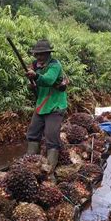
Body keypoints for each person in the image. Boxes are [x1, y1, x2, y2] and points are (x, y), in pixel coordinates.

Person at [25, 39, 68, 181]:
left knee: (51, 137)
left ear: (48, 53)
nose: (39, 57)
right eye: (37, 54)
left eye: (42, 54)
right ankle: (31, 164)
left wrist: (36, 76)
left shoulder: (55, 65)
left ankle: (49, 172)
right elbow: (32, 84)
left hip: (55, 105)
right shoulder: (34, 65)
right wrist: (31, 85)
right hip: (42, 104)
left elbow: (48, 80)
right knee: (33, 133)